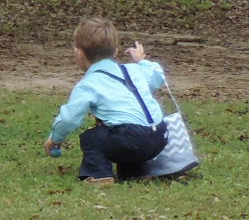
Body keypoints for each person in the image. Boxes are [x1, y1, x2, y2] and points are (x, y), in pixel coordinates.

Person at [46, 17, 170, 182]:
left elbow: (69, 118)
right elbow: (157, 76)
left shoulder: (89, 84)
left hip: (132, 140)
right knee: (119, 130)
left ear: (79, 53)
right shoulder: (134, 70)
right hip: (160, 136)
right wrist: (142, 61)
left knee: (92, 138)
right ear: (116, 51)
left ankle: (99, 175)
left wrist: (55, 139)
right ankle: (136, 173)